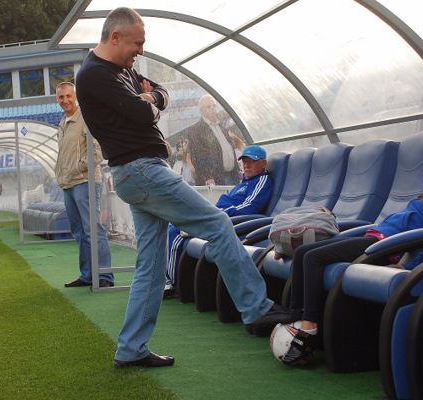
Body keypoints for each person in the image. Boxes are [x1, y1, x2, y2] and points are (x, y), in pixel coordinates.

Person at [75, 7, 292, 369]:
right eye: (137, 43)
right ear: (115, 37)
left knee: (150, 266)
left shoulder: (124, 69)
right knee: (218, 224)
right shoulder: (94, 74)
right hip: (142, 170)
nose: (141, 51)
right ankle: (256, 309)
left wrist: (150, 98)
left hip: (140, 173)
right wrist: (147, 104)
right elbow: (143, 114)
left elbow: (160, 95)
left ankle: (131, 348)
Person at [272, 154, 423, 366]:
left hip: (384, 246)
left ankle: (309, 324)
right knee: (303, 252)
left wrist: (409, 266)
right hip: (375, 238)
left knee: (313, 258)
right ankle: (294, 315)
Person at [164, 144, 273, 297]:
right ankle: (170, 280)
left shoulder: (261, 181)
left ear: (263, 163)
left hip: (227, 222)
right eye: (244, 161)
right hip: (219, 217)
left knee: (175, 231)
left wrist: (220, 213)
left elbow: (250, 207)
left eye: (252, 161)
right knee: (173, 226)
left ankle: (171, 283)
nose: (247, 165)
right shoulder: (244, 182)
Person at [54, 81, 114, 288]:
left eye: (68, 96)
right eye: (61, 97)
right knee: (79, 231)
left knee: (92, 229)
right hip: (68, 183)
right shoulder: (62, 122)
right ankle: (87, 275)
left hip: (85, 181)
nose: (65, 100)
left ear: (75, 97)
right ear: (57, 100)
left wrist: (77, 168)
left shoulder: (86, 118)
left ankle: (105, 276)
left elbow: (97, 152)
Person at [185, 95, 239, 186]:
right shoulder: (196, 130)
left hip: (233, 176)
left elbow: (230, 149)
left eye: (214, 106)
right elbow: (198, 158)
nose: (212, 109)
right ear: (201, 111)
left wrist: (237, 170)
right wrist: (207, 177)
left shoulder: (222, 126)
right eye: (208, 107)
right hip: (215, 179)